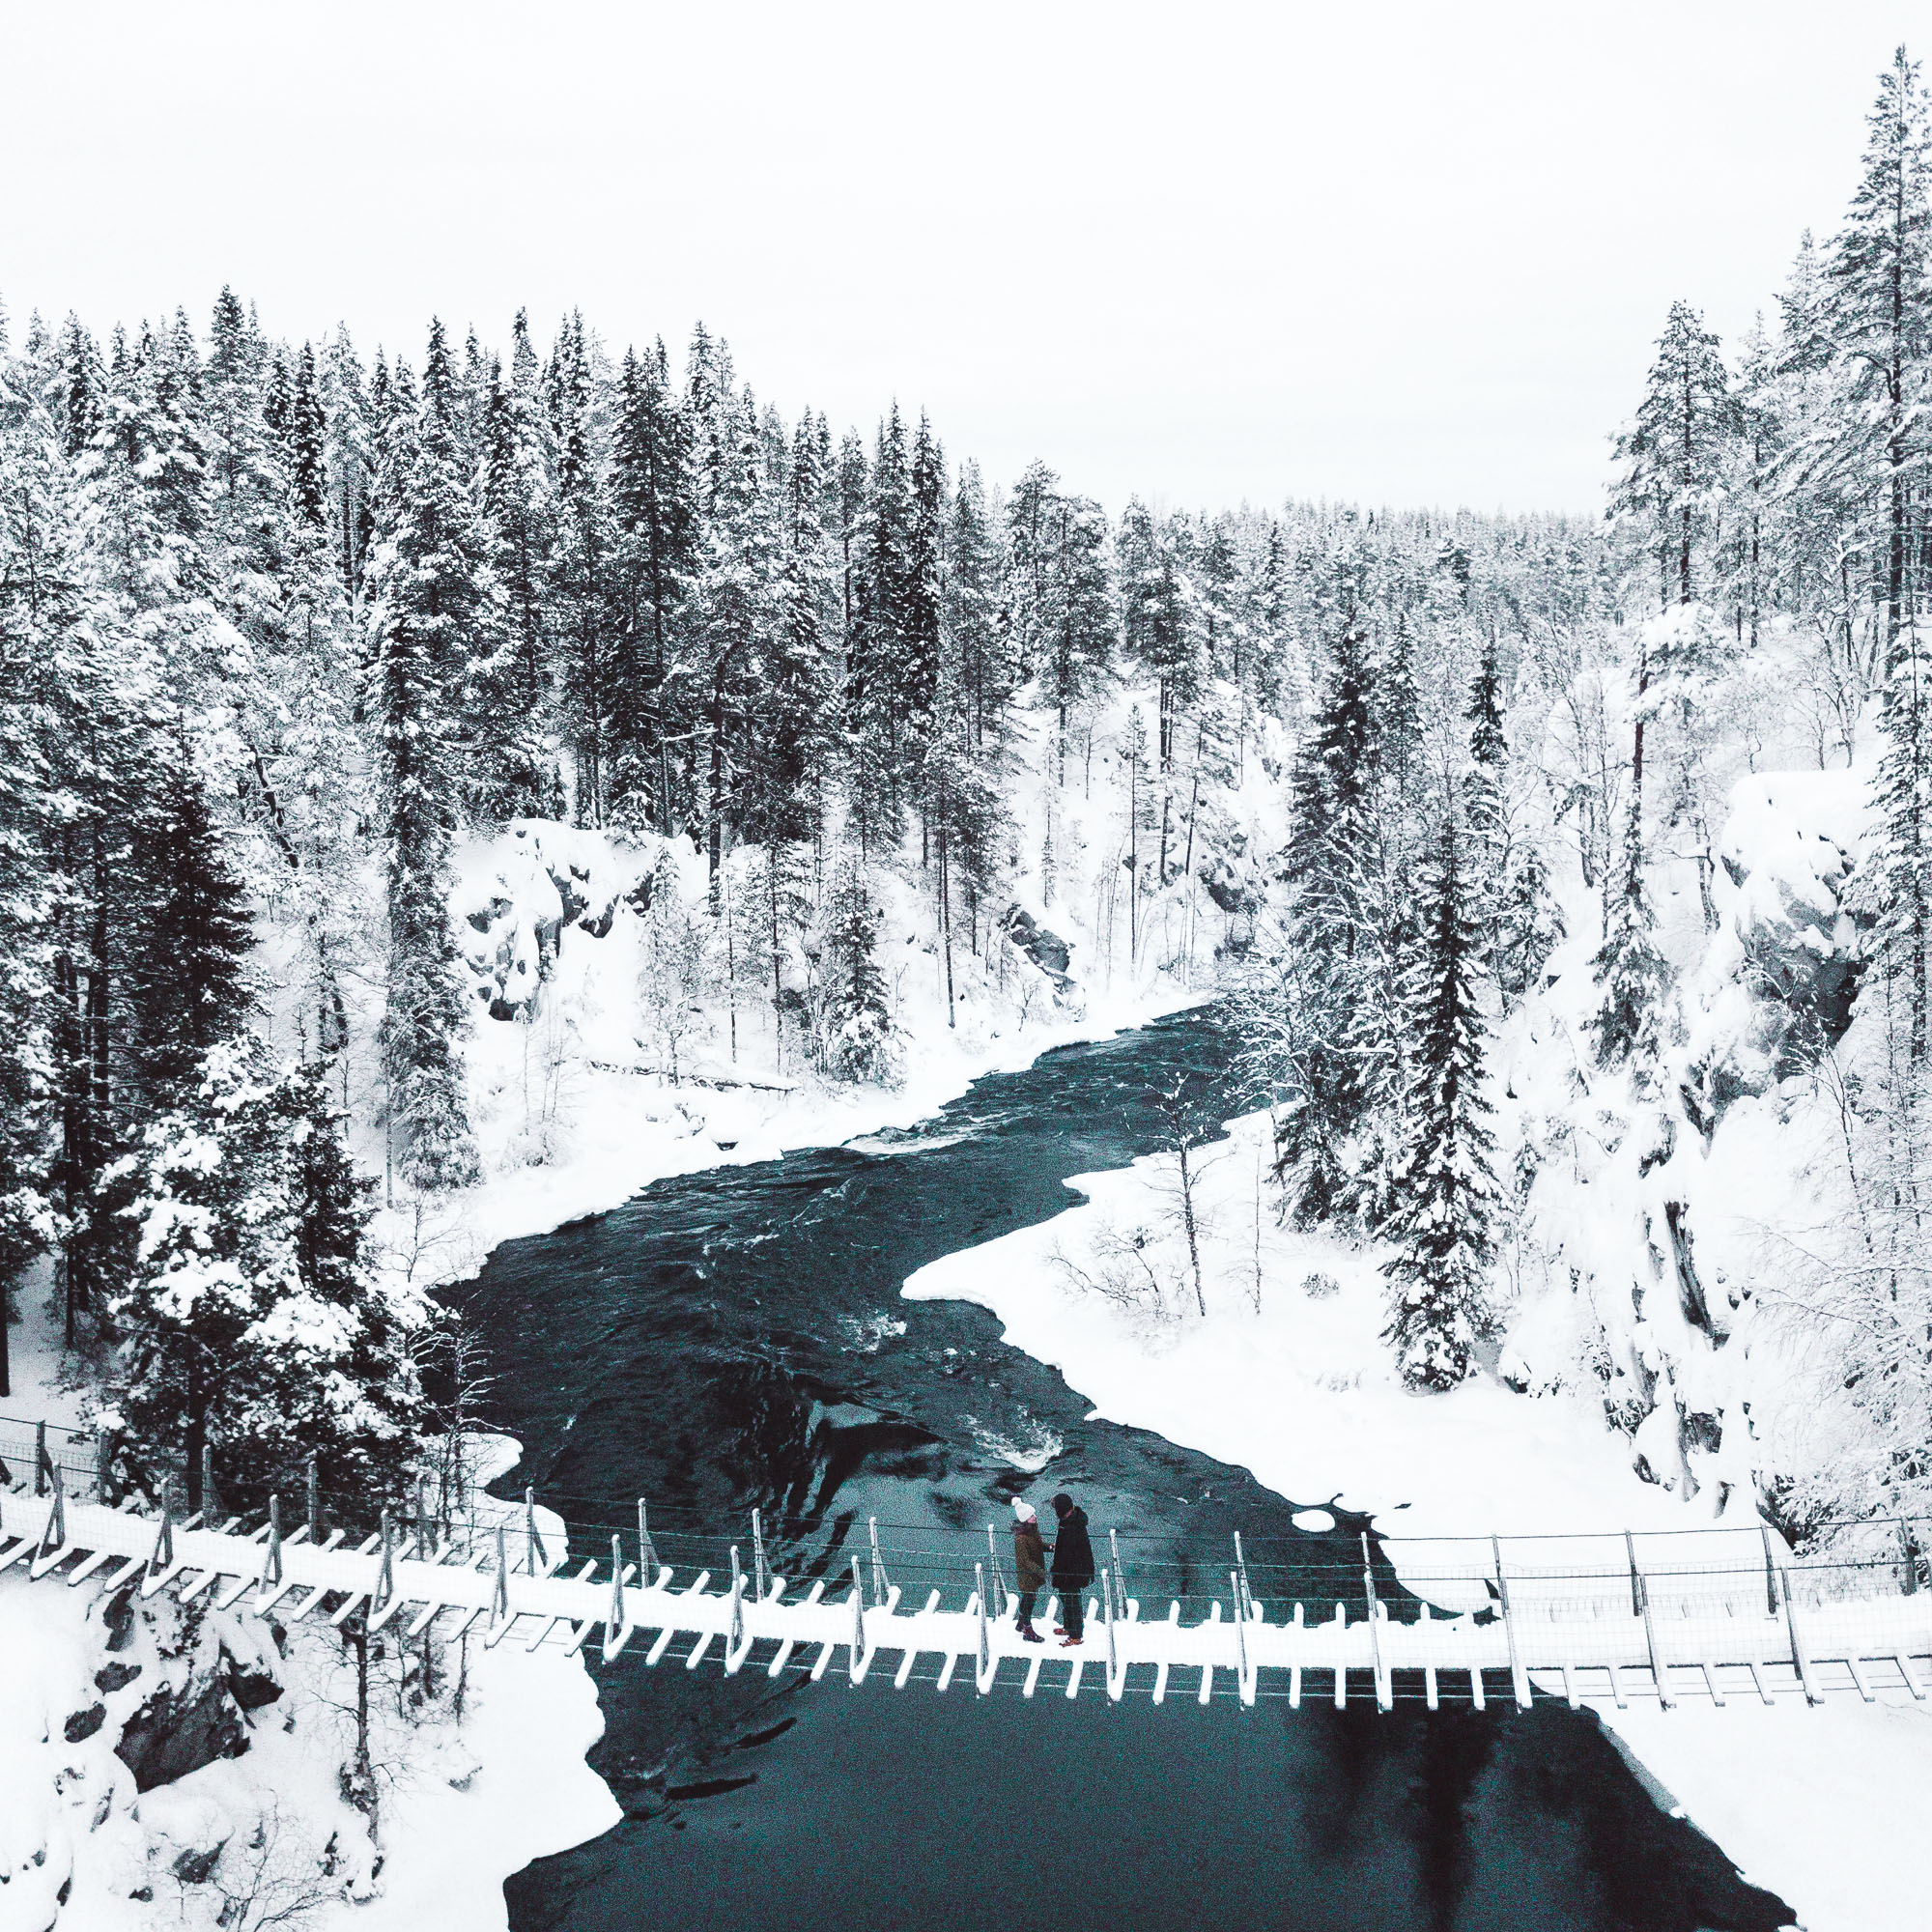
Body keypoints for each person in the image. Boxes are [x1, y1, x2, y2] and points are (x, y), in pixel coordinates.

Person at [1048, 1492, 1094, 1647]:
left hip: (1073, 1572)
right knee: (1066, 1597)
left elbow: (1071, 1554)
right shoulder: (1069, 1521)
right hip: (1067, 1570)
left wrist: (1058, 1570)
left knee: (1072, 1601)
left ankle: (1076, 1635)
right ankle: (1069, 1627)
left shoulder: (1073, 1526)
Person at [1010, 1498, 1047, 1642]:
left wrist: (1049, 1547)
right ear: (1026, 1519)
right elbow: (1025, 1561)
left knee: (1028, 1599)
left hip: (1033, 1574)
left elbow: (1038, 1546)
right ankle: (1028, 1630)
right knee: (1029, 1600)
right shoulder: (1021, 1539)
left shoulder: (1032, 1531)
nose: (1035, 1516)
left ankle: (1021, 1623)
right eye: (1032, 1515)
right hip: (1027, 1576)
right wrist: (1041, 1571)